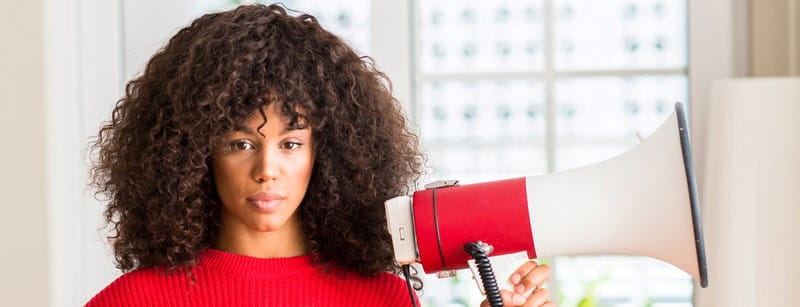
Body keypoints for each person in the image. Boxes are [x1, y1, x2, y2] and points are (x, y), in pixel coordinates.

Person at [86, 4, 553, 307]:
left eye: (291, 143)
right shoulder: (133, 300)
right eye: (240, 143)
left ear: (325, 154)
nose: (266, 170)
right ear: (193, 153)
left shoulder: (385, 298)